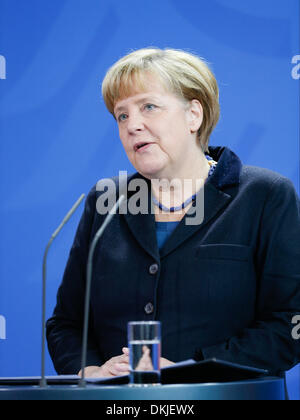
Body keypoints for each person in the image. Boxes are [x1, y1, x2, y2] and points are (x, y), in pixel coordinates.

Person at [46, 47, 300, 380]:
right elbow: (66, 323)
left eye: (148, 107)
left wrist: (195, 371)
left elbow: (290, 323)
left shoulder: (264, 195)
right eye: (122, 115)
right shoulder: (106, 200)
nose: (132, 125)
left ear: (194, 115)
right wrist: (91, 371)